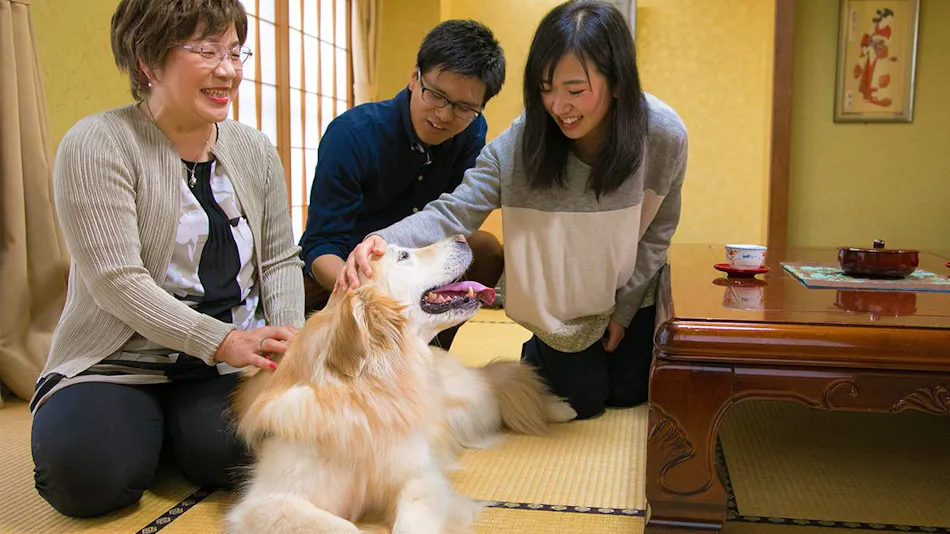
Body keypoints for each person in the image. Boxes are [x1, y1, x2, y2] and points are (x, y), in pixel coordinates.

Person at [339, 0, 688, 420]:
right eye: (545, 87)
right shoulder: (520, 145)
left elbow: (659, 230)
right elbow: (454, 211)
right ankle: (541, 348)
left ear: (617, 82)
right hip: (562, 297)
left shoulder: (663, 135)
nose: (558, 106)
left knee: (630, 392)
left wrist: (626, 310)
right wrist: (381, 241)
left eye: (575, 90)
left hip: (627, 281)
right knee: (584, 402)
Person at [30, 0, 304, 518]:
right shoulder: (97, 143)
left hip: (223, 367)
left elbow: (279, 259)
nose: (228, 70)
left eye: (235, 52)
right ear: (148, 62)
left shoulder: (253, 149)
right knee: (86, 480)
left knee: (245, 457)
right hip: (117, 361)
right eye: (207, 51)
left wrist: (290, 341)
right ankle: (136, 432)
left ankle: (168, 437)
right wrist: (221, 339)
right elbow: (117, 281)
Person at [298, 20, 507, 350]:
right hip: (346, 276)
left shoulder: (471, 131)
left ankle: (427, 352)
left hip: (415, 272)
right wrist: (362, 290)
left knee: (484, 249)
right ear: (414, 77)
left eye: (464, 108)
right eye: (436, 95)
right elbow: (321, 244)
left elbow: (453, 218)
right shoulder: (352, 135)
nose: (444, 115)